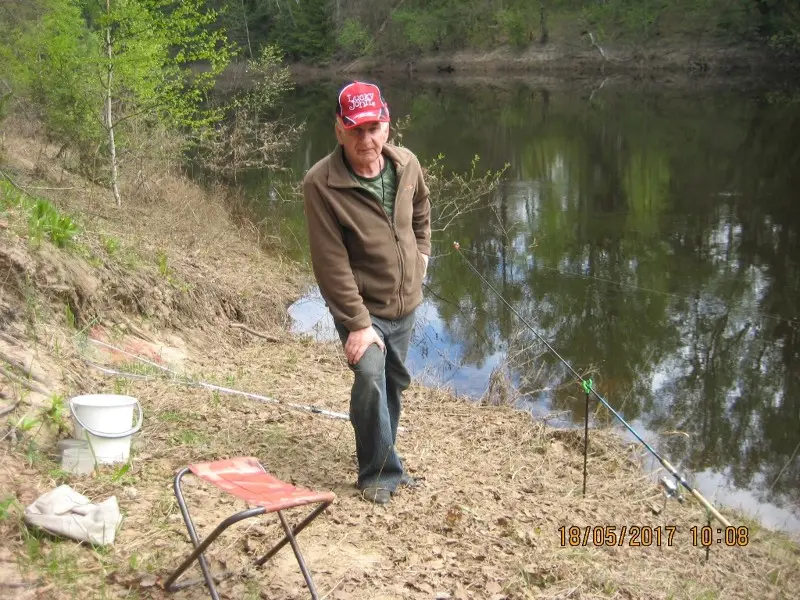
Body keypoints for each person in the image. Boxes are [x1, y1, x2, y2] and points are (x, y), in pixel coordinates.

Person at [302, 81, 431, 505]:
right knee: (371, 374)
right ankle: (377, 473)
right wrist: (357, 326)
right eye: (356, 129)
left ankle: (386, 455)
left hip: (405, 302)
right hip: (361, 307)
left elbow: (422, 211)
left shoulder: (407, 165)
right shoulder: (320, 184)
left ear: (387, 124)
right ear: (339, 128)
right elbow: (330, 263)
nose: (367, 139)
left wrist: (423, 256)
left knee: (393, 382)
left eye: (373, 128)